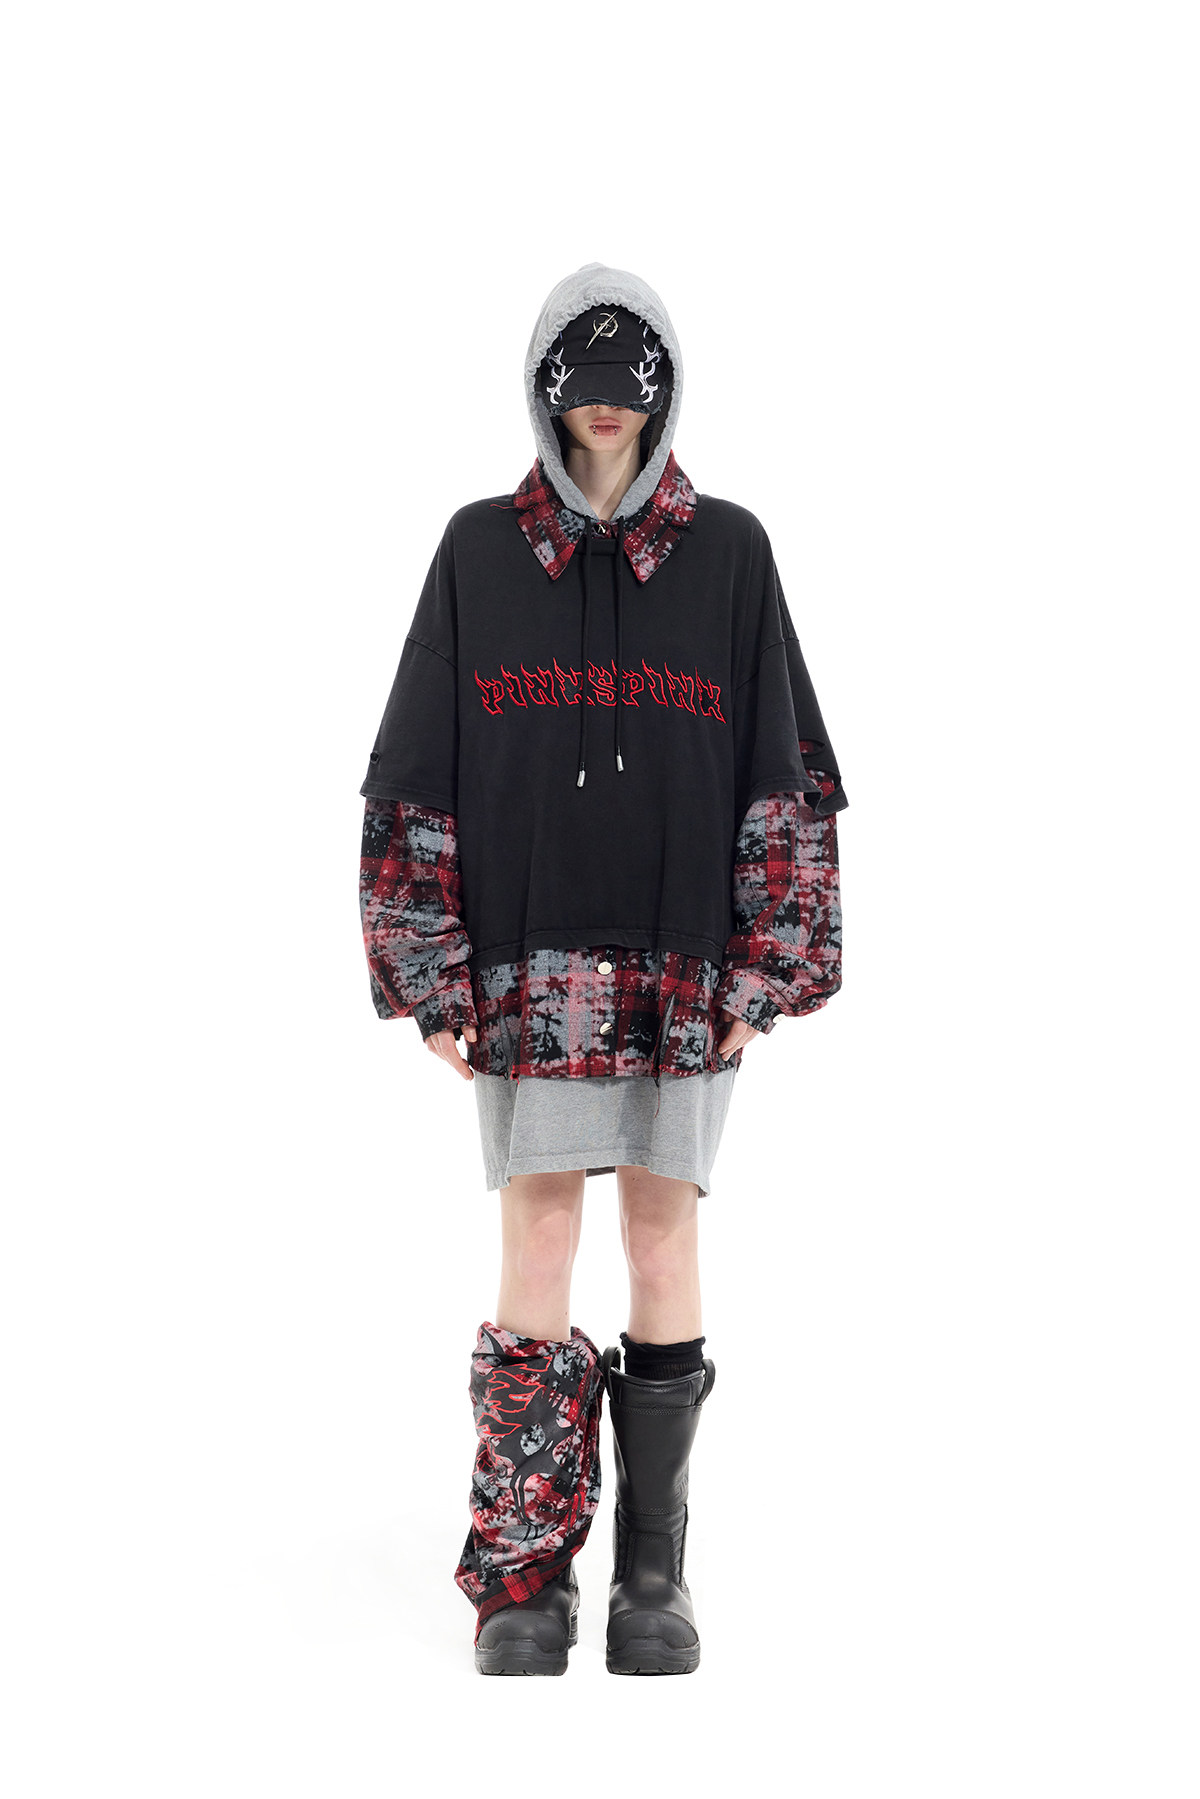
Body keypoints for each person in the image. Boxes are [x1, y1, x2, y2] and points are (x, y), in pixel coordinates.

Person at [358, 263, 848, 1675]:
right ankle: (523, 1573)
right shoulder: (477, 550)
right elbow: (413, 766)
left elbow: (786, 765)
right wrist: (427, 965)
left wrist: (767, 966)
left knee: (661, 1234)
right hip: (527, 962)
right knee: (535, 1233)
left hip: (684, 965)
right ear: (542, 389)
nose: (605, 408)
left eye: (630, 382)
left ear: (665, 388)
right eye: (578, 380)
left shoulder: (733, 551)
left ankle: (652, 1572)